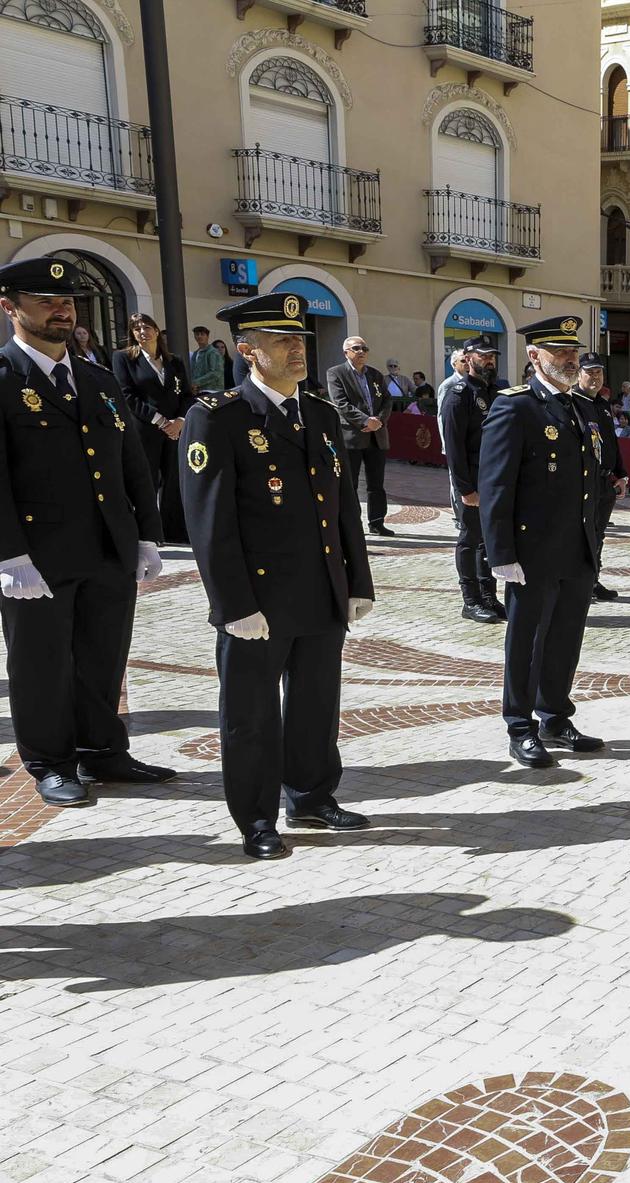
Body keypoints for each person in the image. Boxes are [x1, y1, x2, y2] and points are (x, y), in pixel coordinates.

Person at [180, 291, 374, 860]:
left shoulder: (317, 412)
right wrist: (233, 605)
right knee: (252, 714)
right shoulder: (217, 418)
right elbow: (209, 523)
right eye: (282, 341)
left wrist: (356, 581)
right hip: (258, 599)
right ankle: (257, 818)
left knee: (317, 702)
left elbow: (342, 508)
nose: (297, 349)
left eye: (301, 340)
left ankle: (312, 794)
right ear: (247, 351)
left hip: (319, 590)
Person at [0, 256, 173, 809]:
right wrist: (8, 556)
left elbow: (131, 464)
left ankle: (101, 749)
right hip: (38, 555)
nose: (61, 309)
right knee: (42, 660)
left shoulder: (97, 379)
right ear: (10, 308)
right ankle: (50, 762)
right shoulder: (3, 380)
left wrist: (146, 532)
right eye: (46, 301)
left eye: (68, 301)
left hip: (107, 545)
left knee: (103, 654)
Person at [479, 315, 605, 768]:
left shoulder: (581, 407)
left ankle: (554, 714)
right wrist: (502, 554)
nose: (570, 359)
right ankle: (519, 724)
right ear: (535, 356)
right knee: (528, 639)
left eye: (573, 352)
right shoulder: (515, 406)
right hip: (532, 552)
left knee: (566, 638)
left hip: (576, 548)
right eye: (560, 352)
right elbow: (495, 485)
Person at [113, 311, 193, 544]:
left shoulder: (174, 361)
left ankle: (175, 532)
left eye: (146, 327)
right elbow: (126, 395)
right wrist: (160, 421)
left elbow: (187, 394)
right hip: (145, 429)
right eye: (136, 329)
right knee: (145, 480)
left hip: (174, 430)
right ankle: (147, 532)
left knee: (174, 482)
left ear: (156, 330)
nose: (142, 332)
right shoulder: (124, 358)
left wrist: (180, 420)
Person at [438, 340, 502, 623]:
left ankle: (489, 596)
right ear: (468, 358)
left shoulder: (498, 391)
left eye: (491, 357)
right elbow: (454, 446)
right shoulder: (459, 394)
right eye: (482, 356)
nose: (488, 361)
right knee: (470, 538)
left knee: (490, 541)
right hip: (473, 482)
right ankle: (471, 600)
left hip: (496, 479)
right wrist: (465, 488)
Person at [325, 334, 395, 537]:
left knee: (376, 484)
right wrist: (366, 421)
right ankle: (352, 524)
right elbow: (341, 403)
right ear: (346, 352)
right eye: (356, 348)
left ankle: (377, 522)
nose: (361, 352)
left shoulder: (375, 375)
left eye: (364, 348)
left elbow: (387, 401)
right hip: (352, 437)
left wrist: (378, 421)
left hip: (377, 436)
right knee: (350, 484)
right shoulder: (336, 373)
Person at [574, 353, 628, 599]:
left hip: (605, 481)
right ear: (579, 374)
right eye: (589, 372)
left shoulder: (603, 405)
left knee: (599, 533)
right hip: (585, 480)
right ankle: (580, 581)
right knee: (583, 534)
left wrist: (621, 474)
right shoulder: (573, 402)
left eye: (598, 373)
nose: (595, 377)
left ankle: (593, 579)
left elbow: (611, 444)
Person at [189, 325, 227, 394]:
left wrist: (196, 383)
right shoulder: (195, 353)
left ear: (207, 336)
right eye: (197, 334)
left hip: (213, 390)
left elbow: (216, 373)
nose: (199, 336)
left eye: (202, 334)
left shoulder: (213, 352)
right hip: (199, 391)